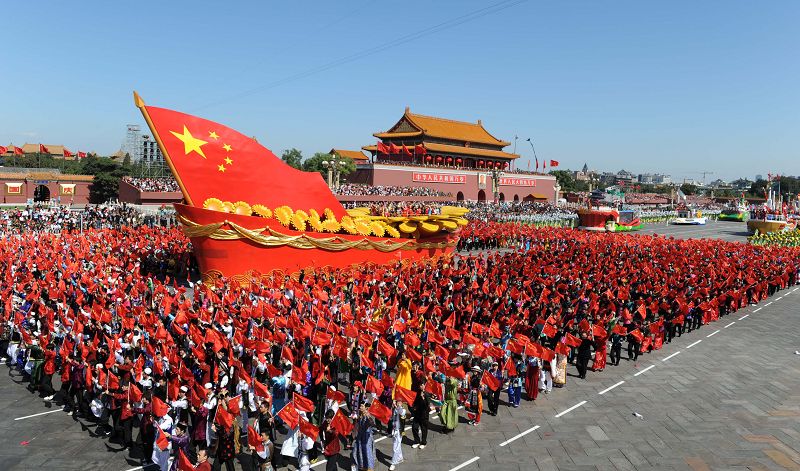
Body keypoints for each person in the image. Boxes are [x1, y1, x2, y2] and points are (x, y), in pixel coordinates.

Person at [351, 403, 376, 471]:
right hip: (360, 437)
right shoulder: (360, 414)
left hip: (366, 438)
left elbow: (372, 424)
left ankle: (369, 468)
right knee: (355, 452)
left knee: (367, 453)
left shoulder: (368, 415)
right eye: (360, 405)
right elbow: (358, 425)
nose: (360, 407)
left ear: (366, 408)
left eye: (362, 406)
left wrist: (368, 417)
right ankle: (359, 467)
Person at [389, 400, 406, 470]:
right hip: (394, 430)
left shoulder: (403, 410)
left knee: (395, 447)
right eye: (397, 402)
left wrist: (397, 407)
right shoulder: (395, 409)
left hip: (399, 431)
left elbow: (401, 413)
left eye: (399, 402)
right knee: (397, 445)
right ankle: (400, 457)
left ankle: (393, 463)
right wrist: (393, 408)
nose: (398, 403)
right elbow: (392, 418)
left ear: (402, 403)